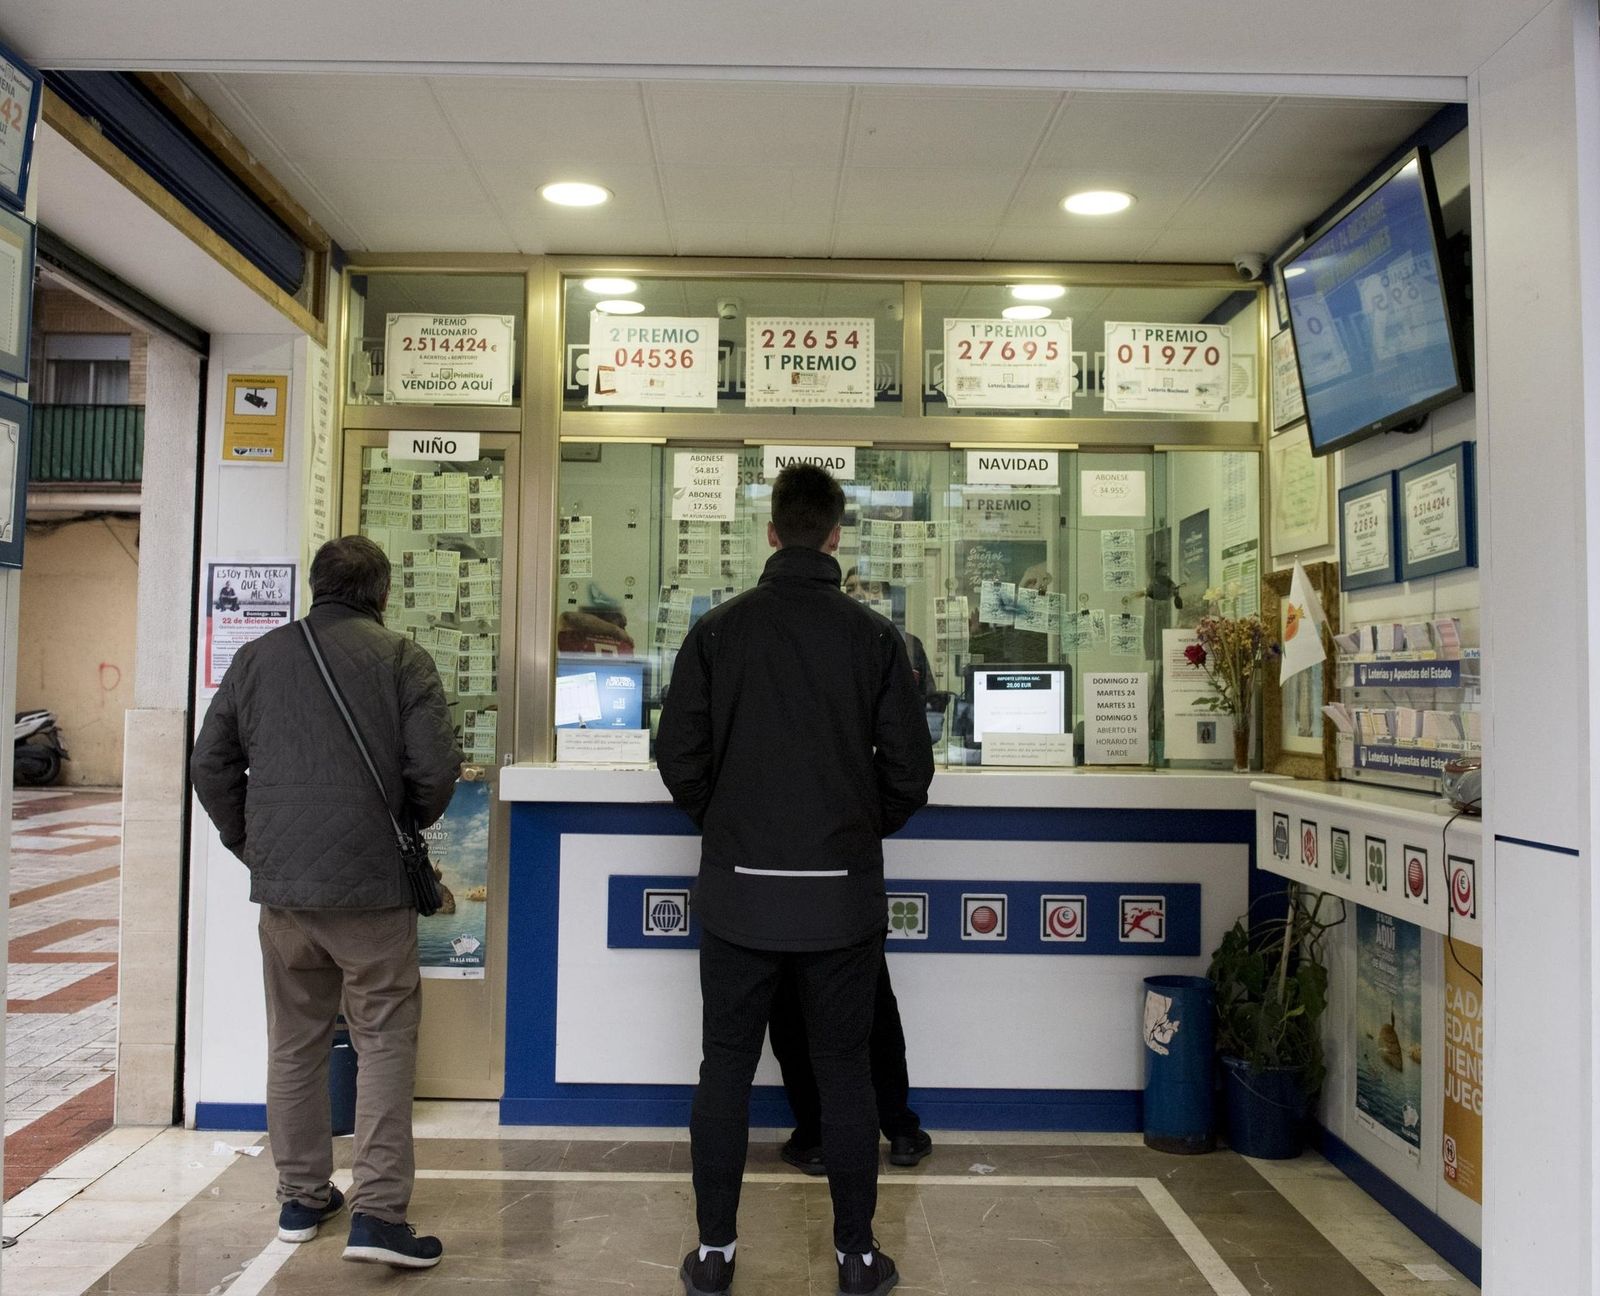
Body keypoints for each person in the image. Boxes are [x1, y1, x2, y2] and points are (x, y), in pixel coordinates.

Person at [658, 464, 935, 1296]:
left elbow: (679, 758)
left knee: (725, 1069)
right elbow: (910, 775)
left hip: (740, 893)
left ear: (772, 534)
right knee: (845, 1073)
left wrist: (731, 825)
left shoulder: (717, 633)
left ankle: (714, 1255)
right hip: (840, 897)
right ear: (838, 536)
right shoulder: (876, 638)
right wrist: (853, 833)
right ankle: (856, 1256)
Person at [191, 536, 462, 1270]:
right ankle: (377, 1213)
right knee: (382, 1040)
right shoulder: (403, 659)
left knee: (295, 1042)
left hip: (285, 898)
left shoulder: (257, 658)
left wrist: (254, 844)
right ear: (382, 592)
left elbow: (209, 763)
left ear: (317, 588)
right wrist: (398, 828)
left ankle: (302, 1196)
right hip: (372, 894)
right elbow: (436, 771)